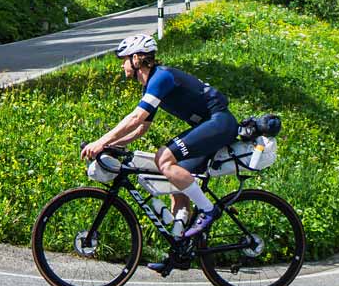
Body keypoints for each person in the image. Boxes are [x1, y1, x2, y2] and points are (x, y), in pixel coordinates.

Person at [80, 33, 239, 241]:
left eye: (124, 60)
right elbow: (141, 129)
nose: (122, 66)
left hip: (220, 123)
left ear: (136, 59)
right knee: (174, 179)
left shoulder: (161, 77)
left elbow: (136, 118)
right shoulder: (151, 84)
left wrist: (101, 141)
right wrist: (110, 146)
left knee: (163, 158)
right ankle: (180, 244)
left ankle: (209, 210)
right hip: (210, 126)